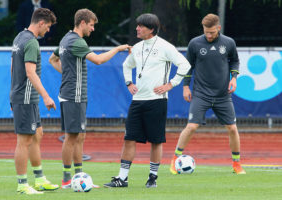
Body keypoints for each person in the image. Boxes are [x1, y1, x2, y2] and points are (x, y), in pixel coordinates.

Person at [103, 13, 191, 188]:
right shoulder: (136, 47)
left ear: (151, 29)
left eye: (140, 26)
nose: (137, 28)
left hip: (157, 100)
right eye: (137, 25)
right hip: (137, 101)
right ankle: (122, 178)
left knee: (156, 141)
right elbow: (127, 65)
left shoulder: (166, 47)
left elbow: (185, 65)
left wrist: (171, 84)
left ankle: (152, 178)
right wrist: (129, 82)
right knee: (129, 138)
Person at [48, 8, 131, 189]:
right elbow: (99, 60)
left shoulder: (65, 38)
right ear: (83, 23)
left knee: (80, 136)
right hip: (73, 95)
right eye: (91, 25)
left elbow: (52, 59)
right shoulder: (76, 41)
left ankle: (78, 176)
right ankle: (66, 179)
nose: (93, 29)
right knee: (71, 136)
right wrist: (118, 48)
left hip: (75, 94)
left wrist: (68, 74)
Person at [169, 13, 246, 175]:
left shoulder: (229, 43)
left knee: (232, 128)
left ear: (218, 28)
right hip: (201, 94)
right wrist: (185, 87)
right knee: (191, 126)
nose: (208, 35)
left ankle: (236, 164)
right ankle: (175, 159)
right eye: (206, 32)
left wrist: (234, 78)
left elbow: (235, 61)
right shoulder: (195, 43)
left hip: (223, 95)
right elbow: (187, 66)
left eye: (211, 32)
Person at [10, 8, 59, 194]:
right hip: (25, 98)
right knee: (24, 141)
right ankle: (22, 184)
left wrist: (12, 91)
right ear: (40, 23)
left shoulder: (19, 37)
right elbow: (30, 72)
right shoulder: (31, 42)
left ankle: (39, 179)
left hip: (24, 96)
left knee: (37, 135)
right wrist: (46, 96)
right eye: (48, 27)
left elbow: (13, 66)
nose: (48, 31)